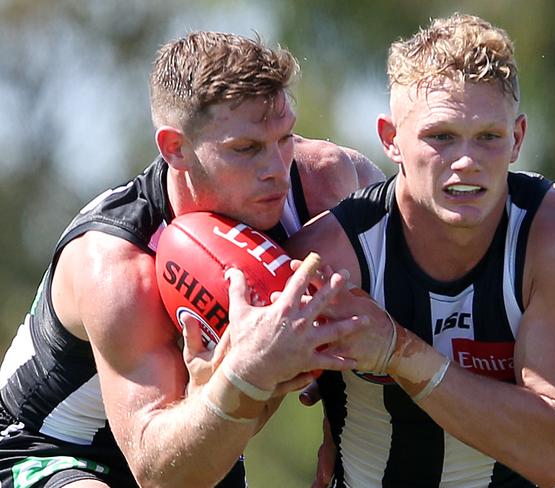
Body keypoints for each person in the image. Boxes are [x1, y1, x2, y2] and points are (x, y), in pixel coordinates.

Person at [0, 31, 383, 488]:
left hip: (197, 426)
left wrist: (340, 426)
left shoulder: (330, 182)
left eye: (284, 137)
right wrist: (248, 372)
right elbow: (158, 472)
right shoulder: (114, 262)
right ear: (175, 148)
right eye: (246, 149)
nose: (278, 169)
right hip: (56, 451)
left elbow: (403, 302)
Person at [287, 13, 555, 488]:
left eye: (488, 138)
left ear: (517, 138)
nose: (466, 161)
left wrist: (398, 352)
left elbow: (550, 453)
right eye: (440, 136)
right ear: (390, 139)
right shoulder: (329, 255)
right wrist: (230, 378)